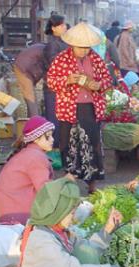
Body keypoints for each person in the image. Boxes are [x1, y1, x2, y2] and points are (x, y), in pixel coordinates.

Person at [47, 22, 113, 194]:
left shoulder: (96, 59)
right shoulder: (61, 59)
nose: (84, 50)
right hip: (68, 108)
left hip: (90, 107)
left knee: (91, 143)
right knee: (68, 144)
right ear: (72, 45)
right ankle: (70, 182)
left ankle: (92, 184)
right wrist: (68, 80)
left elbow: (107, 80)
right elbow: (51, 82)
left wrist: (98, 85)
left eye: (87, 47)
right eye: (81, 47)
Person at [0, 116, 55, 224]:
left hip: (5, 213)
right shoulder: (36, 158)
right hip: (18, 216)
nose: (52, 139)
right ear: (36, 139)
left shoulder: (28, 153)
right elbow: (46, 191)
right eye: (48, 137)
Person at [43, 15, 69, 149]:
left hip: (64, 88)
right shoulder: (52, 44)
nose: (65, 27)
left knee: (62, 120)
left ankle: (61, 147)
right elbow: (55, 64)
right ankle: (53, 148)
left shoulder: (63, 42)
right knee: (54, 120)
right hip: (53, 88)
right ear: (53, 28)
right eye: (61, 25)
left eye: (65, 25)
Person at [13, 43, 46, 117]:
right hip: (23, 69)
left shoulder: (44, 48)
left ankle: (30, 121)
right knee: (30, 99)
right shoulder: (49, 51)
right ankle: (36, 124)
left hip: (28, 68)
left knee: (31, 98)